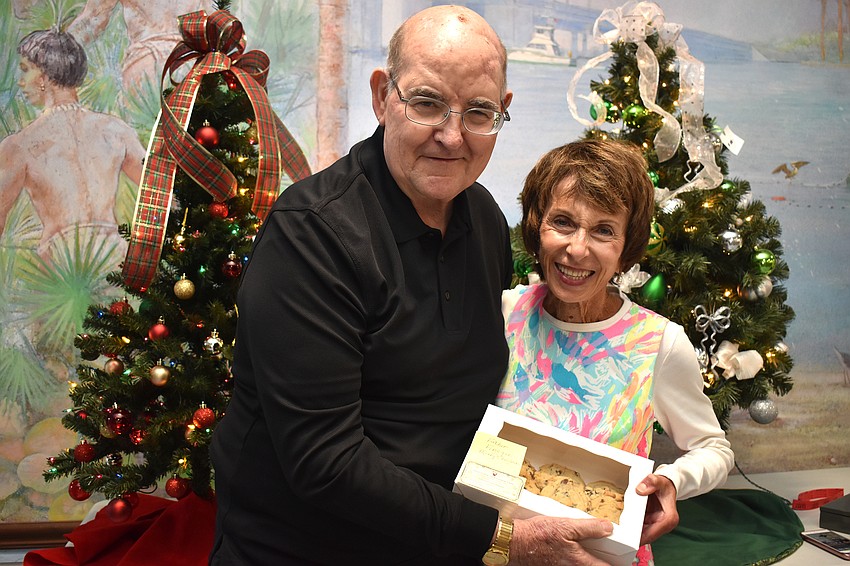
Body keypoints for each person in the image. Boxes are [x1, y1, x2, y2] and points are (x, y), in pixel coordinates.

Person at [210, 6, 614, 565]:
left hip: (443, 539)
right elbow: (325, 463)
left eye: (479, 112)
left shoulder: (486, 219)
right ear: (382, 96)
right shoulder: (311, 237)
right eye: (426, 104)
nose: (451, 137)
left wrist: (633, 492)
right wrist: (499, 540)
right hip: (305, 547)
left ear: (503, 112)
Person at [496, 139, 735, 565]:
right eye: (563, 222)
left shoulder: (658, 342)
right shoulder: (507, 312)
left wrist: (672, 480)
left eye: (604, 230)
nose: (577, 249)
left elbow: (714, 447)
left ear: (627, 248)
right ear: (536, 228)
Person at [0, 27, 144, 259]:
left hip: (62, 267)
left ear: (45, 75)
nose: (20, 82)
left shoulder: (20, 145)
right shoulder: (115, 130)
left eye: (26, 70)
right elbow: (161, 192)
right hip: (114, 258)